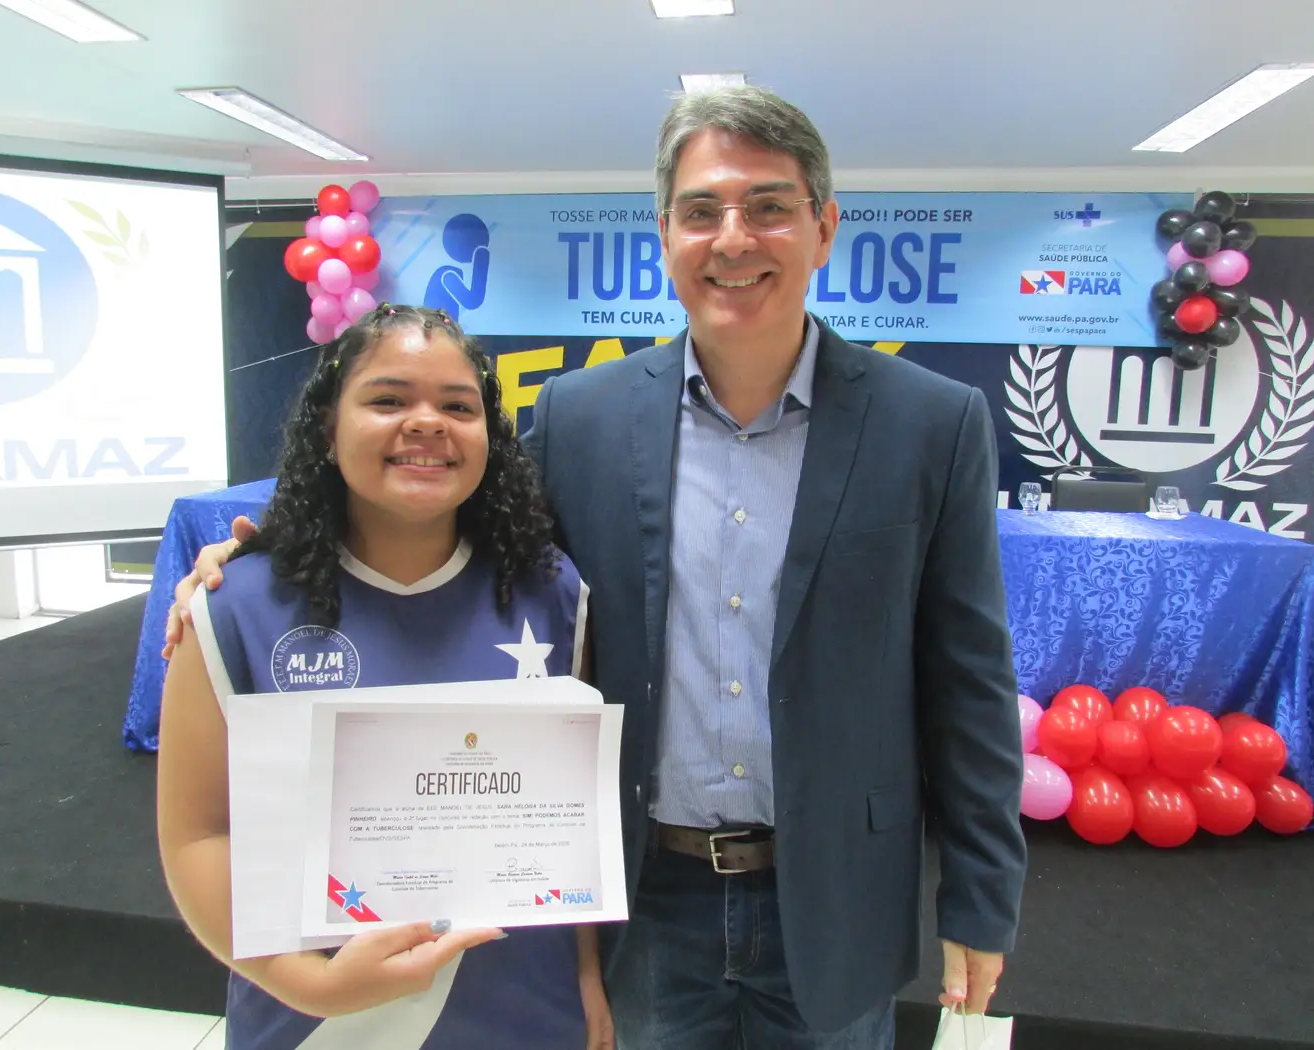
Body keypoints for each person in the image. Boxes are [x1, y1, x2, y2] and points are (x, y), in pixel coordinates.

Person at [167, 87, 1026, 1050]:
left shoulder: (931, 423)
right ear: (665, 235)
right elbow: (449, 517)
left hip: (838, 894)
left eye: (768, 207)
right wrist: (265, 550)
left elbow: (970, 681)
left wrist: (981, 896)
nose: (732, 239)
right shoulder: (583, 418)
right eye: (701, 210)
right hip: (644, 896)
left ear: (823, 227)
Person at [156, 303, 613, 1050]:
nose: (427, 423)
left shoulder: (552, 592)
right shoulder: (236, 604)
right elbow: (198, 837)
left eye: (458, 407)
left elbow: (577, 827)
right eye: (388, 399)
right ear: (327, 431)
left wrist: (586, 974)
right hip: (314, 1021)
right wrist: (312, 986)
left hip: (526, 1012)